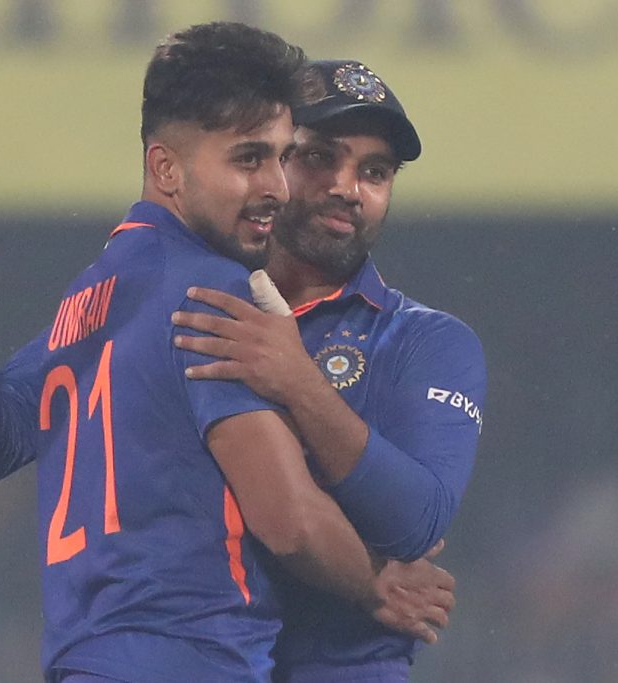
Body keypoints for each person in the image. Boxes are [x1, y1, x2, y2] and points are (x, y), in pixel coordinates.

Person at [0, 25, 449, 683]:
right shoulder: (211, 291)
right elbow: (287, 520)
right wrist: (376, 582)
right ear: (166, 169)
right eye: (248, 159)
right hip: (192, 656)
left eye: (281, 157)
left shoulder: (89, 298)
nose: (277, 187)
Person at [172, 59, 487, 682]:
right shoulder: (195, 304)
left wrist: (299, 382)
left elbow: (416, 521)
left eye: (375, 172)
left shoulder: (427, 341)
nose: (349, 188)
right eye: (321, 158)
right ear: (271, 165)